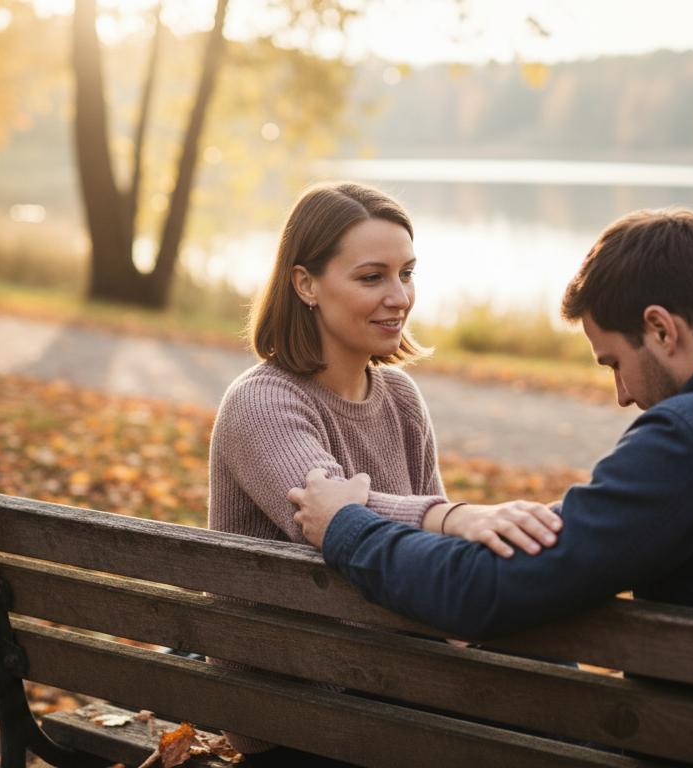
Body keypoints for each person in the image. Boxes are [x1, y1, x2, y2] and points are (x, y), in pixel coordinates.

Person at [289, 207, 693, 648]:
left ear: (662, 328)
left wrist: (348, 523)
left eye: (614, 362)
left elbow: (483, 592)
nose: (622, 395)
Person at [207, 182, 562, 763]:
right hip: (292, 718)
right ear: (306, 285)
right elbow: (323, 516)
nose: (399, 296)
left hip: (386, 683)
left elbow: (423, 550)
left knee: (548, 668)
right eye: (372, 277)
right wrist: (454, 517)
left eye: (407, 273)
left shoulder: (399, 395)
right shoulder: (262, 404)